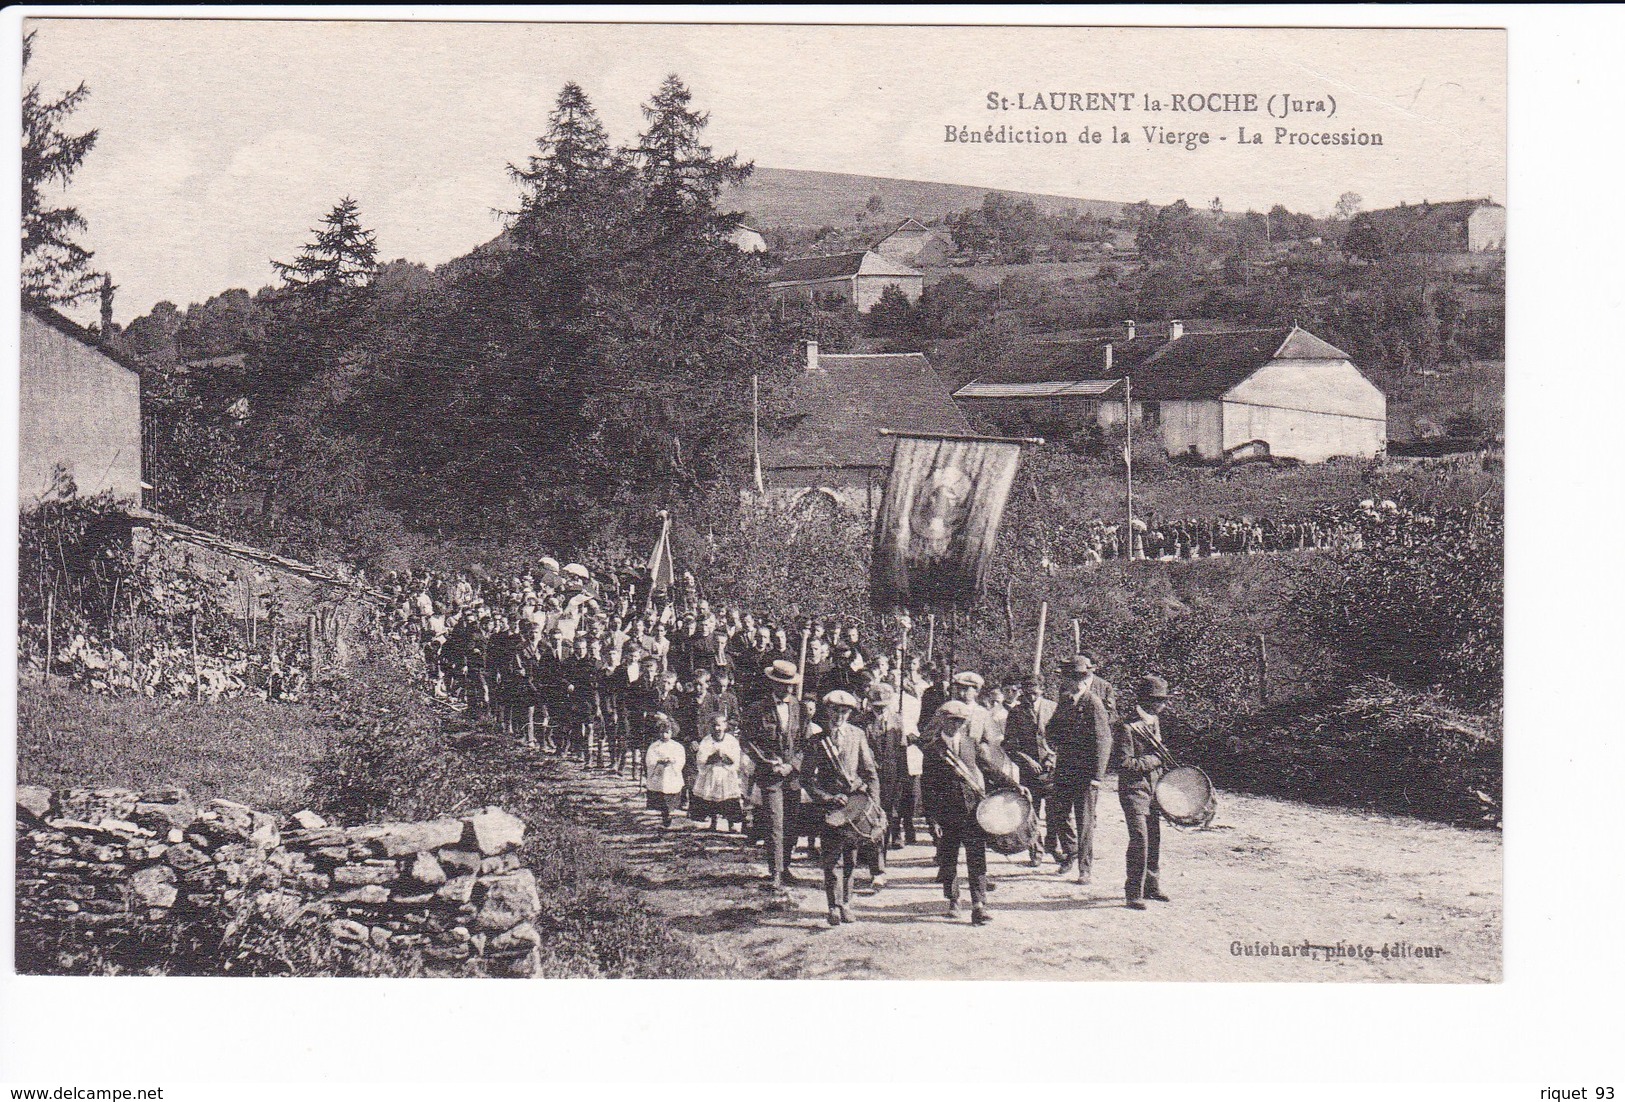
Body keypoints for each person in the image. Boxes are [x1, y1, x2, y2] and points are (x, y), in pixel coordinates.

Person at [802, 690, 882, 926]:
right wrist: (826, 797)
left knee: (851, 857)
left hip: (855, 806)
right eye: (834, 711)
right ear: (827, 712)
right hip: (831, 808)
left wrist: (874, 804)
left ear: (850, 714)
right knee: (831, 857)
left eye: (844, 712)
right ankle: (833, 906)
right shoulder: (817, 741)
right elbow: (807, 779)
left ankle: (847, 902)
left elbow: (870, 772)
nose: (839, 716)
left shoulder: (857, 736)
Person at [920, 700, 1000, 926]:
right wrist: (932, 818)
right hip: (947, 813)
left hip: (972, 810)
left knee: (977, 857)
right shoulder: (933, 750)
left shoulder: (970, 744)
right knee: (948, 858)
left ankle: (979, 905)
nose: (956, 725)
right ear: (942, 721)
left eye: (961, 722)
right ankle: (953, 900)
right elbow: (927, 787)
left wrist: (1014, 786)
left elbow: (989, 769)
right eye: (952, 721)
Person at [742, 660, 809, 901]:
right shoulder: (757, 709)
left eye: (791, 685)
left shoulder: (800, 709)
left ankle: (786, 866)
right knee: (774, 823)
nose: (788, 690)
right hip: (770, 776)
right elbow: (748, 741)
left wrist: (792, 765)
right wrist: (767, 762)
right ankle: (775, 872)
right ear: (773, 683)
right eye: (783, 685)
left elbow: (805, 743)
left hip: (792, 776)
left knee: (790, 823)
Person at [1047, 655, 1115, 883]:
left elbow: (1103, 740)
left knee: (1084, 820)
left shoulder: (1094, 703)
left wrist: (1097, 775)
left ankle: (1085, 868)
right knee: (1059, 812)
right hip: (1065, 767)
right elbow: (1051, 728)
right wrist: (1055, 738)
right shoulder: (1065, 701)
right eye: (1071, 677)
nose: (1074, 682)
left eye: (1079, 678)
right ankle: (1071, 849)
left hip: (1085, 772)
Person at [1117, 674, 1174, 910]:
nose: (1163, 705)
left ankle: (1151, 885)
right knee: (1140, 839)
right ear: (1146, 700)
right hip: (1133, 790)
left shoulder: (1154, 722)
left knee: (1154, 838)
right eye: (1159, 700)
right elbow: (1124, 763)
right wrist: (1155, 759)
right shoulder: (1126, 727)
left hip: (1154, 789)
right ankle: (1133, 892)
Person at [1002, 673, 1056, 867]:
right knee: (1032, 813)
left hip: (1051, 772)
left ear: (1042, 690)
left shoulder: (1053, 708)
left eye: (1035, 693)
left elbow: (1061, 739)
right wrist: (1027, 761)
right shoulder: (1016, 713)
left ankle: (1053, 845)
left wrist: (1052, 758)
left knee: (1056, 812)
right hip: (1029, 772)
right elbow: (1008, 744)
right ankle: (1036, 851)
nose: (1031, 697)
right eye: (1027, 693)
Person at [860, 683, 907, 881]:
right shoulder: (861, 722)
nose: (880, 711)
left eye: (883, 707)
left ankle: (880, 865)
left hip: (891, 778)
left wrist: (902, 778)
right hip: (868, 778)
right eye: (876, 707)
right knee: (870, 820)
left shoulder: (897, 721)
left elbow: (901, 751)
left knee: (885, 820)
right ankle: (875, 868)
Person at [691, 713, 745, 832]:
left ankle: (731, 824)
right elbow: (701, 759)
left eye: (719, 725)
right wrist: (712, 757)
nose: (717, 729)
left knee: (729, 800)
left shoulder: (731, 740)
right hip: (712, 773)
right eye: (714, 726)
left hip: (726, 774)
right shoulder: (707, 740)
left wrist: (725, 757)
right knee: (712, 799)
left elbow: (736, 759)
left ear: (725, 726)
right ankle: (713, 822)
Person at [644, 713, 687, 829]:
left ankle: (670, 811)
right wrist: (658, 761)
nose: (664, 735)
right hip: (659, 773)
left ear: (671, 733)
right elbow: (650, 760)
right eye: (662, 732)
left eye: (667, 732)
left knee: (671, 793)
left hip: (671, 773)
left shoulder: (677, 746)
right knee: (660, 794)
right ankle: (664, 812)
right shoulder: (654, 746)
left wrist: (672, 760)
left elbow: (681, 760)